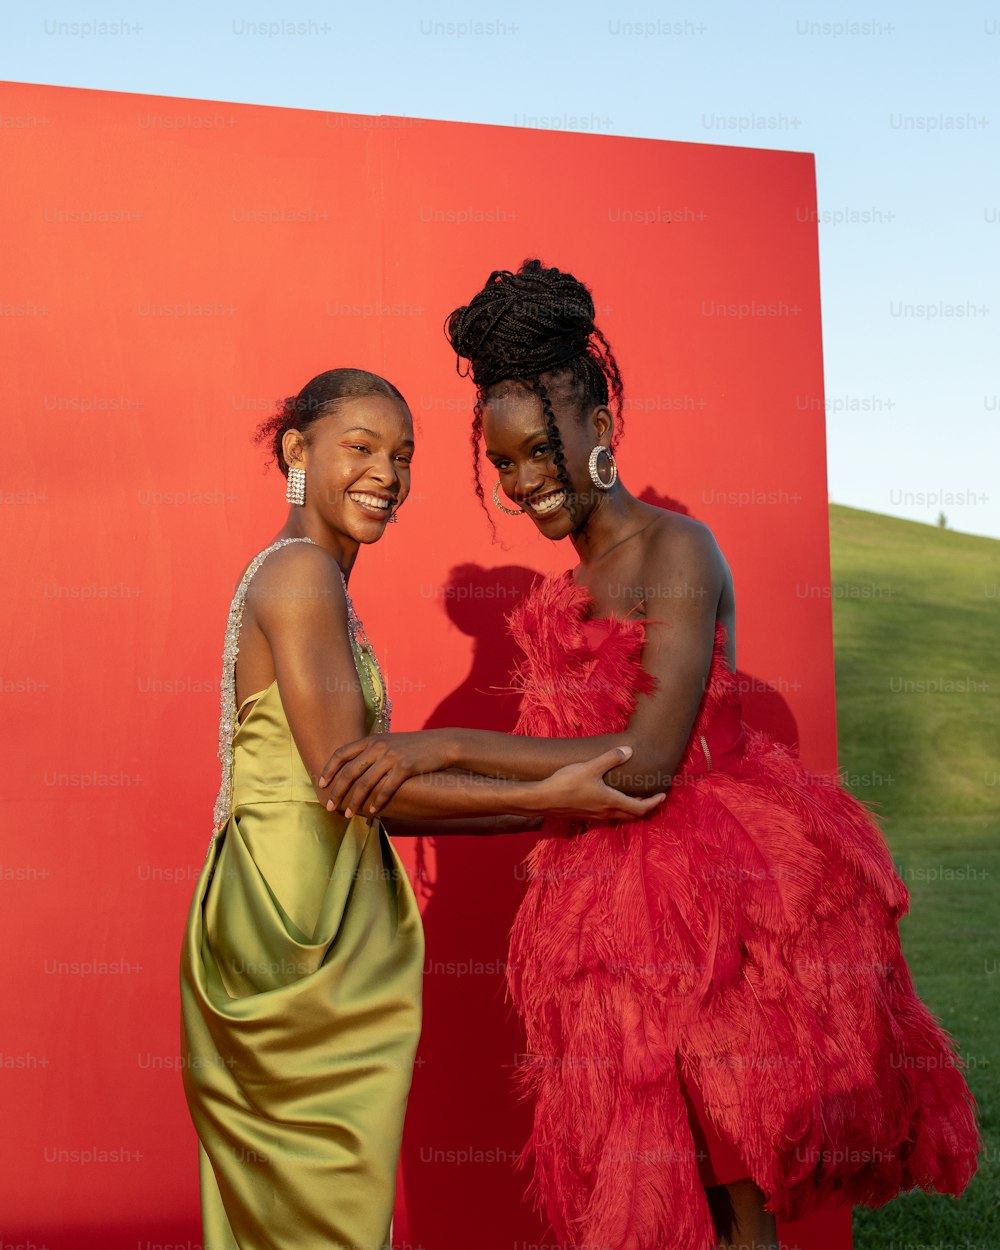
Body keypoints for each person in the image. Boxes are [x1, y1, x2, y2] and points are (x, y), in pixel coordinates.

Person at [318, 263, 981, 1250]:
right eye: (504, 465)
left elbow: (643, 759)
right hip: (601, 924)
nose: (525, 480)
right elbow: (560, 782)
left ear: (600, 432)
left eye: (541, 451)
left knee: (734, 1177)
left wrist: (443, 742)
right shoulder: (563, 592)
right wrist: (397, 793)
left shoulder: (677, 551)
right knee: (652, 1188)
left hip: (719, 904)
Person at [178, 366, 663, 1250]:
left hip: (310, 894)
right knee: (318, 1211)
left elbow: (379, 802)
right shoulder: (300, 576)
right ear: (297, 450)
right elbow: (348, 782)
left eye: (402, 456)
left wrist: (542, 807)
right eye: (360, 449)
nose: (388, 476)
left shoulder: (316, 579)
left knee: (302, 1209)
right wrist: (551, 789)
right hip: (297, 922)